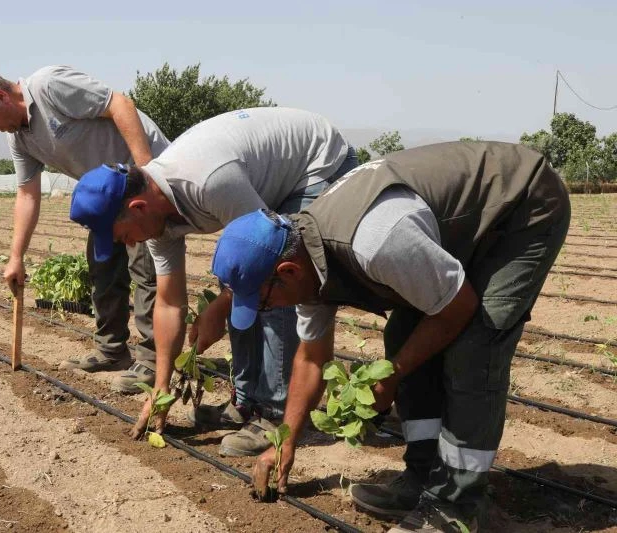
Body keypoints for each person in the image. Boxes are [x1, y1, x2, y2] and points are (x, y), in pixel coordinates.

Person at [210, 141, 570, 533]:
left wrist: (392, 376)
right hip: (452, 229)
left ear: (288, 272)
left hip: (520, 207)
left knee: (474, 348)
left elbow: (458, 308)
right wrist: (285, 442)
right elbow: (310, 359)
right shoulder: (305, 260)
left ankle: (458, 505)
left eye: (263, 302)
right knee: (404, 334)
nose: (265, 310)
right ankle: (422, 478)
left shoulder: (376, 241)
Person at [68, 107, 358, 456]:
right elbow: (169, 303)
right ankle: (246, 402)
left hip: (315, 162)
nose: (128, 244)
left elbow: (263, 259)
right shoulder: (155, 220)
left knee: (273, 286)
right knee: (239, 285)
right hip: (262, 178)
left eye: (122, 235)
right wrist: (160, 388)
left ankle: (275, 415)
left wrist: (219, 309)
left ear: (139, 207)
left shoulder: (209, 182)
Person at [0, 66, 169, 392]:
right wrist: (16, 256)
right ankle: (112, 350)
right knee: (102, 266)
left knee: (146, 270)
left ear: (0, 97)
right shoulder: (19, 139)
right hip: (106, 194)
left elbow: (120, 105)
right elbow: (27, 194)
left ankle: (154, 361)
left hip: (141, 179)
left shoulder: (49, 86)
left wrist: (147, 175)